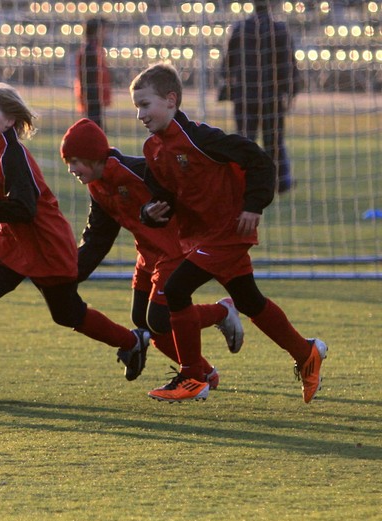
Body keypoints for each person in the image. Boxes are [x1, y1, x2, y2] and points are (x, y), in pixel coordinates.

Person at [129, 62, 325, 403]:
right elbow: (163, 198)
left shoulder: (202, 138)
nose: (140, 115)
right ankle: (306, 352)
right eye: (137, 108)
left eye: (145, 105)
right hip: (203, 237)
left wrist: (253, 205)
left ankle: (194, 378)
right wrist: (151, 213)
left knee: (176, 291)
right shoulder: (153, 150)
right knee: (249, 300)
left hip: (229, 231)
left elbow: (259, 160)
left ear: (171, 100)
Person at [0, 83, 150, 401]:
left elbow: (25, 208)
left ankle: (132, 341)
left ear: (9, 121)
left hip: (45, 245)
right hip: (13, 244)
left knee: (68, 314)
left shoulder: (13, 155)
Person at [60, 117, 244, 390]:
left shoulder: (136, 171)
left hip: (174, 251)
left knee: (159, 319)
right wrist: (67, 276)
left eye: (75, 161)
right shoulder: (97, 187)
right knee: (141, 319)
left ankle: (221, 312)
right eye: (68, 163)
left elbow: (178, 185)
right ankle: (206, 373)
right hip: (148, 256)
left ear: (93, 155)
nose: (71, 169)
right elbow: (97, 238)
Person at [218, 0, 302, 193]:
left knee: (245, 141)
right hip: (272, 97)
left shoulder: (239, 29)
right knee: (274, 142)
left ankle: (242, 181)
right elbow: (289, 64)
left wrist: (230, 84)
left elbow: (226, 64)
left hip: (245, 96)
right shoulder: (280, 29)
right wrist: (290, 92)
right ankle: (281, 183)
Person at [74, 17, 112, 131]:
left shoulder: (94, 48)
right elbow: (90, 80)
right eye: (104, 30)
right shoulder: (90, 50)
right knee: (95, 130)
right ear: (97, 31)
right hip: (93, 100)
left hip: (94, 99)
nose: (106, 33)